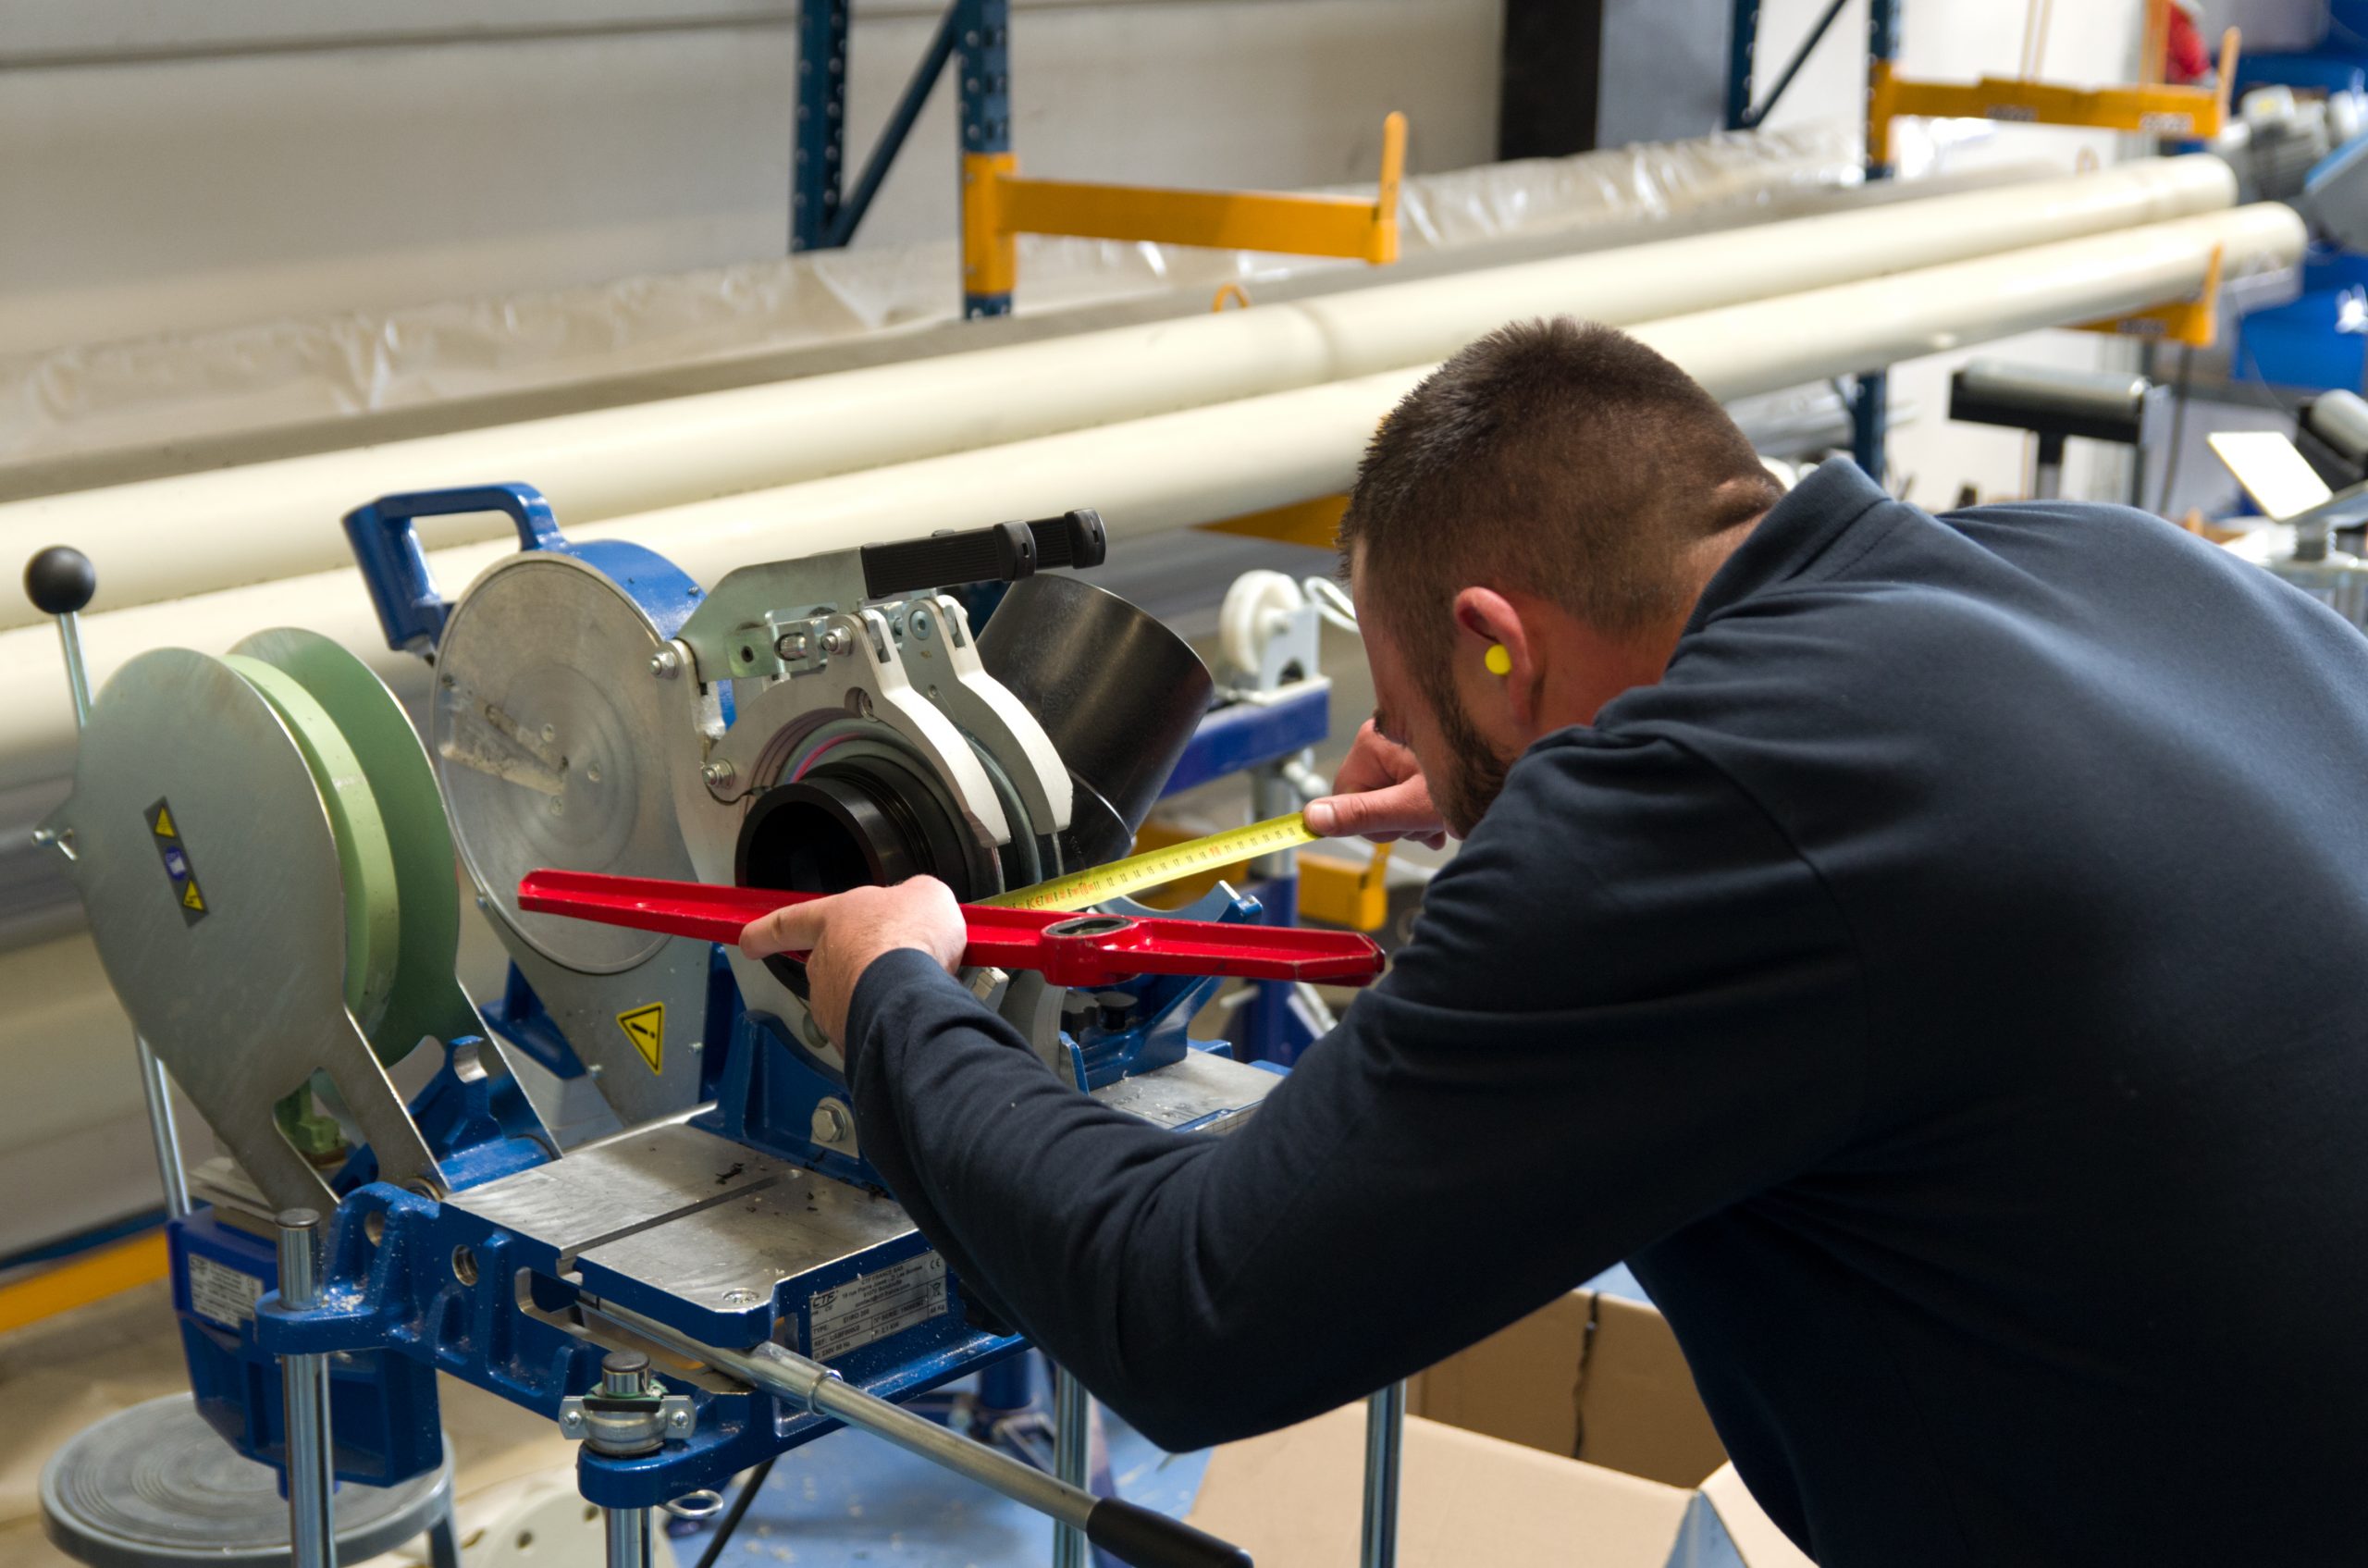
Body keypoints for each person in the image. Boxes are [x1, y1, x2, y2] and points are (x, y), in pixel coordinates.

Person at [741, 318, 2368, 1567]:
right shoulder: (2108, 565)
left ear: (1496, 647)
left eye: (1411, 713)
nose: (1405, 761)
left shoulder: (1700, 808)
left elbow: (1182, 1304)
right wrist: (1511, 799)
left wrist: (897, 988)